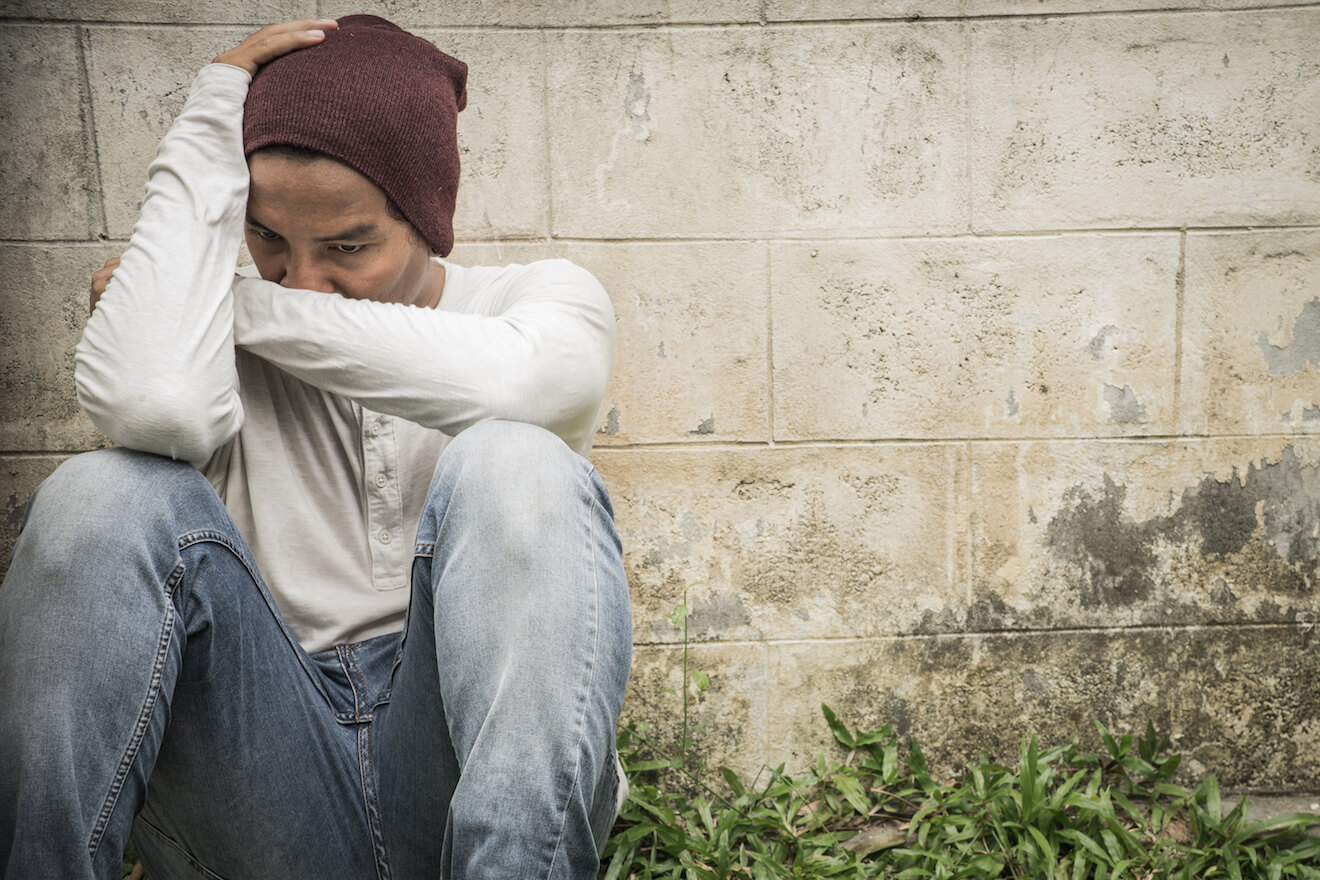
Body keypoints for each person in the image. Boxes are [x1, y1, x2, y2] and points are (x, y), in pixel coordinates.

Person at [0, 16, 632, 880]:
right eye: (265, 240)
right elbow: (154, 401)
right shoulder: (197, 351)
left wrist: (227, 303)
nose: (301, 280)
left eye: (347, 247)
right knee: (97, 494)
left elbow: (527, 390)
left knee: (519, 462)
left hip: (452, 773)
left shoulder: (537, 300)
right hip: (260, 783)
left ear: (427, 218)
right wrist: (215, 101)